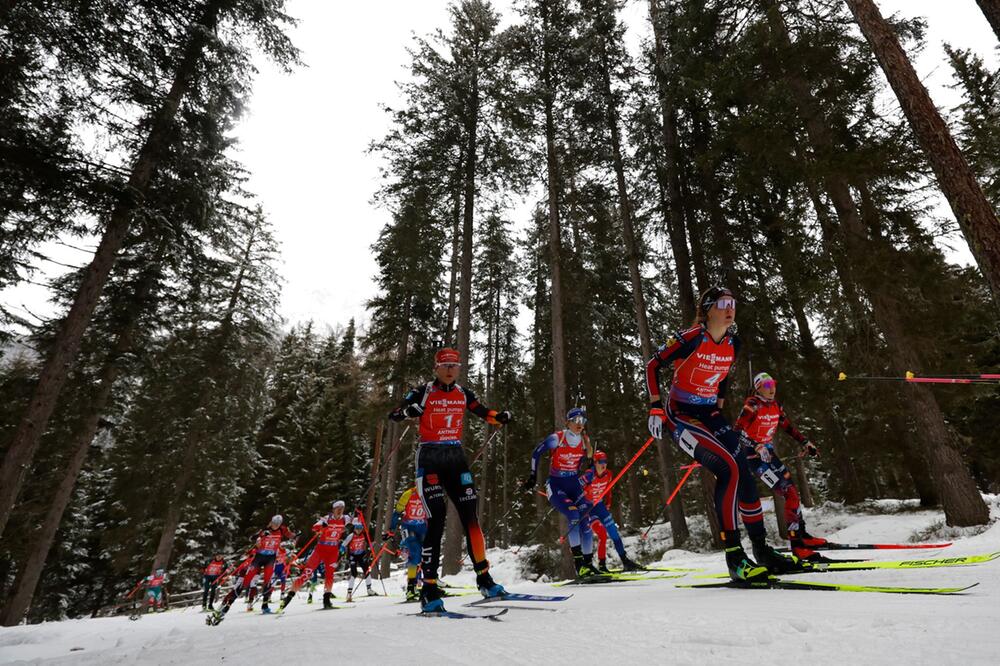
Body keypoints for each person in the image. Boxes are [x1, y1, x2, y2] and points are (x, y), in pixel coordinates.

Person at [645, 287, 801, 583]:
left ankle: (761, 550)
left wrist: (717, 406)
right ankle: (734, 556)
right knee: (726, 467)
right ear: (707, 310)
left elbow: (724, 375)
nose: (730, 309)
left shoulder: (733, 342)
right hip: (680, 414)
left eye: (733, 304)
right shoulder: (691, 338)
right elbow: (653, 365)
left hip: (708, 413)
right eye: (723, 304)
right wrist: (655, 407)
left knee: (741, 465)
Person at [389, 347, 511, 612]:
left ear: (458, 368)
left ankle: (485, 579)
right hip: (430, 457)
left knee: (471, 517)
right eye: (444, 365)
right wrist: (410, 411)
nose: (448, 369)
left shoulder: (463, 393)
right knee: (437, 518)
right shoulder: (423, 391)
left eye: (453, 365)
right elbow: (395, 413)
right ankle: (429, 587)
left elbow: (483, 411)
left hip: (455, 456)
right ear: (436, 368)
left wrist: (498, 417)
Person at [522, 408, 639, 577]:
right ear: (568, 421)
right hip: (556, 486)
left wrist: (589, 448)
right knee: (574, 515)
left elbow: (589, 457)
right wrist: (532, 475)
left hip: (573, 485)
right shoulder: (558, 438)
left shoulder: (584, 441)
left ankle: (588, 564)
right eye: (576, 420)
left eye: (583, 421)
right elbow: (536, 452)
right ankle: (579, 564)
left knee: (586, 522)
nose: (579, 424)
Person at [736, 372, 824, 559]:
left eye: (773, 384)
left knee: (792, 492)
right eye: (767, 385)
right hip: (754, 459)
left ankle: (802, 536)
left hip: (769, 456)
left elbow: (788, 427)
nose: (772, 388)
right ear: (758, 387)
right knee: (788, 493)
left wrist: (806, 443)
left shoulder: (776, 406)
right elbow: (738, 431)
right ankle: (797, 545)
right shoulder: (752, 405)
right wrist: (756, 445)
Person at [209, 515, 294, 624]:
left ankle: (265, 606)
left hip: (271, 559)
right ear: (271, 522)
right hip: (259, 558)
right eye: (274, 523)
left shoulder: (282, 529)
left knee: (268, 582)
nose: (275, 526)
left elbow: (290, 535)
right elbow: (252, 538)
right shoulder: (265, 529)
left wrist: (295, 535)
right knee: (245, 583)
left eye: (277, 524)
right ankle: (226, 607)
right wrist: (261, 536)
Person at [280, 500, 354, 611]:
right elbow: (314, 527)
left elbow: (357, 522)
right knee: (307, 574)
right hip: (320, 549)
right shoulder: (326, 518)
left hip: (333, 550)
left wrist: (359, 512)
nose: (339, 511)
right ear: (333, 509)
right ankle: (289, 597)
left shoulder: (346, 518)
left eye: (342, 509)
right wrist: (321, 527)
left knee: (330, 575)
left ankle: (326, 600)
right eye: (337, 509)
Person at [581, 450, 636, 573]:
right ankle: (601, 565)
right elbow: (577, 488)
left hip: (600, 507)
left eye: (605, 461)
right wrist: (584, 493)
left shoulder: (608, 474)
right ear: (595, 462)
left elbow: (608, 490)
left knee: (614, 533)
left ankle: (625, 561)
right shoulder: (589, 475)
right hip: (589, 509)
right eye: (600, 461)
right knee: (602, 534)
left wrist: (608, 502)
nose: (603, 464)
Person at [384, 485, 428, 601]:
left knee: (427, 554)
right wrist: (391, 530)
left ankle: (429, 583)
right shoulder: (408, 494)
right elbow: (397, 512)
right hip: (408, 527)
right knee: (414, 552)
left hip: (422, 527)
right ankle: (410, 589)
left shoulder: (428, 492)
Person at [345, 518, 377, 601]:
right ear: (354, 528)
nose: (359, 530)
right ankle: (349, 593)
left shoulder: (365, 534)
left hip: (362, 555)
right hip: (353, 555)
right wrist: (342, 553)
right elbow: (343, 545)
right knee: (354, 573)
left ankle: (369, 589)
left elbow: (371, 543)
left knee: (367, 571)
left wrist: (371, 549)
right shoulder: (351, 536)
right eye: (357, 528)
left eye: (360, 528)